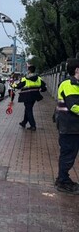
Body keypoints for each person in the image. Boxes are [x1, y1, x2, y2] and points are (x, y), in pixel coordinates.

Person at [54, 59, 79, 194]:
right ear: (77, 70)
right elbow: (74, 106)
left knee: (69, 154)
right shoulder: (69, 84)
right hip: (69, 126)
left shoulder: (75, 84)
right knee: (68, 154)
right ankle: (63, 182)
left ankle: (62, 179)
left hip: (72, 126)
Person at [16, 65, 46, 131]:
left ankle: (33, 125)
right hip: (35, 96)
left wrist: (13, 85)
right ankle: (24, 122)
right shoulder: (38, 78)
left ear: (29, 70)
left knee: (28, 110)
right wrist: (39, 89)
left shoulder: (25, 78)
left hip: (26, 96)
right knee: (28, 109)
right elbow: (44, 87)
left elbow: (19, 86)